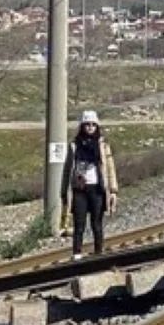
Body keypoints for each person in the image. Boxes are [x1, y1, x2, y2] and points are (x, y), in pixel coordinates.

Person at [60, 110, 118, 259]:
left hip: (97, 189)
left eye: (93, 125)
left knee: (96, 224)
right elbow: (67, 169)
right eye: (87, 125)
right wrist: (64, 192)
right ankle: (77, 253)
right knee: (79, 224)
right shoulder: (74, 146)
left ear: (97, 126)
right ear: (82, 126)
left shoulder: (103, 146)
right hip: (79, 190)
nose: (90, 127)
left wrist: (113, 191)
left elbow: (110, 168)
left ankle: (99, 252)